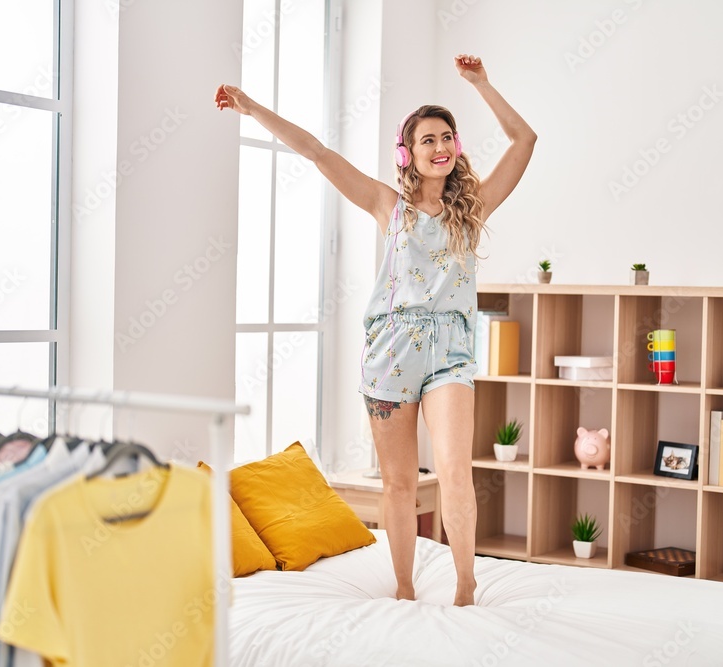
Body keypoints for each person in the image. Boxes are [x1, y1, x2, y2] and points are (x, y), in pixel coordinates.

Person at [216, 54, 535, 606]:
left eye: (447, 137)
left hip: (450, 352)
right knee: (400, 484)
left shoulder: (473, 207)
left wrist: (481, 83)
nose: (440, 147)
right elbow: (317, 151)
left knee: (457, 471)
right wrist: (250, 107)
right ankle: (405, 586)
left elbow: (524, 139)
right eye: (427, 139)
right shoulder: (387, 205)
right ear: (407, 153)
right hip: (390, 354)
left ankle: (465, 584)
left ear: (455, 148)